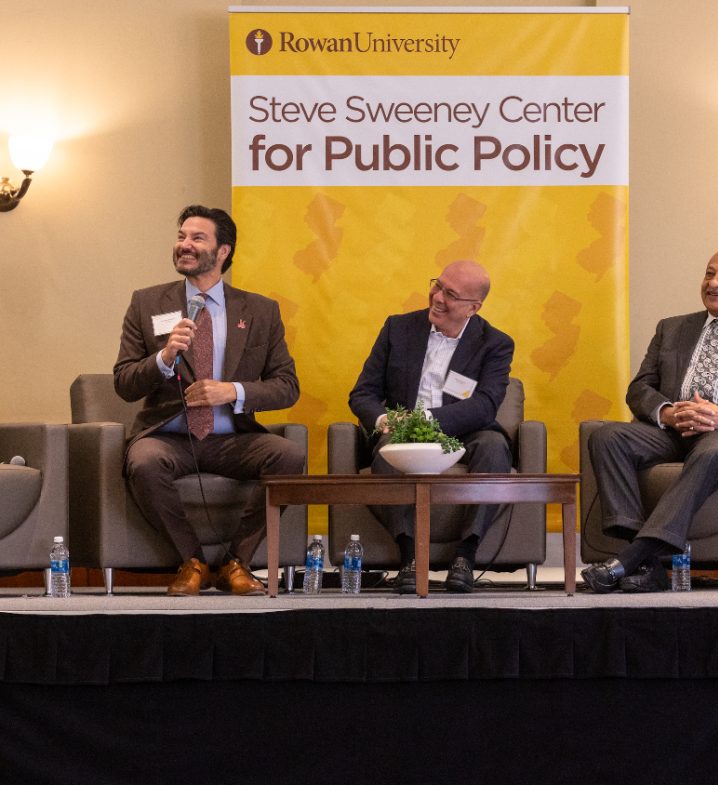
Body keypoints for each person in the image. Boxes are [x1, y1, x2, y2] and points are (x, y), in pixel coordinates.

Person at [581, 245, 718, 593]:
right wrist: (668, 413)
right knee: (607, 437)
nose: (714, 283)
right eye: (709, 273)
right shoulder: (672, 328)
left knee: (714, 451)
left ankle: (631, 557)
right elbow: (640, 388)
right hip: (672, 430)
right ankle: (647, 563)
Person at [115, 205, 304, 596]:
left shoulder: (260, 311)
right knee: (144, 461)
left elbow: (287, 385)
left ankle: (237, 562)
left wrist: (232, 391)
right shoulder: (147, 303)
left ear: (223, 252)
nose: (185, 245)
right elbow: (124, 383)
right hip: (169, 437)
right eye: (182, 236)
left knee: (289, 456)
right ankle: (193, 561)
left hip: (231, 437)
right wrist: (163, 359)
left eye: (197, 238)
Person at [349, 260, 514, 594]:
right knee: (388, 449)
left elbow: (485, 404)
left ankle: (466, 556)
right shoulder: (398, 328)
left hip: (463, 429)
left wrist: (424, 421)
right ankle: (409, 556)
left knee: (495, 448)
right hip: (400, 430)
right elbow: (363, 393)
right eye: (438, 285)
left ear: (472, 308)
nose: (437, 297)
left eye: (450, 294)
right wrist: (384, 421)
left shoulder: (495, 343)